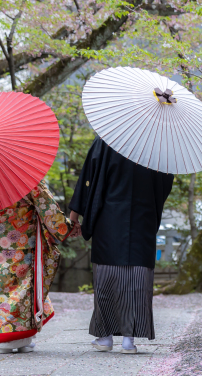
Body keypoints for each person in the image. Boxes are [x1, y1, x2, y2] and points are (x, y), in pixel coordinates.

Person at [68, 137, 174, 354]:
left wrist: (74, 217)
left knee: (106, 276)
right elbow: (165, 184)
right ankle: (129, 340)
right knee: (137, 278)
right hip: (142, 220)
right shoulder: (158, 145)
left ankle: (105, 337)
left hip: (109, 218)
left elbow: (88, 178)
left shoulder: (108, 139)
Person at [0, 182, 81, 353]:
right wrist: (69, 226)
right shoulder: (25, 177)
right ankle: (20, 337)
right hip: (19, 244)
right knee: (20, 286)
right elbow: (49, 211)